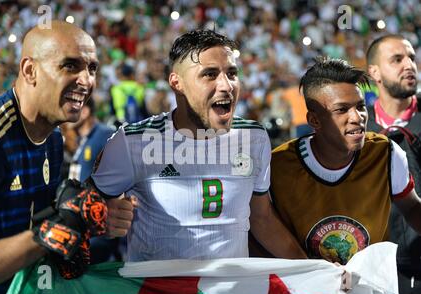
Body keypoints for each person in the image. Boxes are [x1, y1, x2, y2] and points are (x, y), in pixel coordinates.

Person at [90, 29, 307, 262]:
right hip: (158, 293)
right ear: (177, 83)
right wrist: (102, 216)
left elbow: (261, 217)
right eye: (210, 74)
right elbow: (81, 209)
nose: (226, 85)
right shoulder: (133, 142)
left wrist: (312, 269)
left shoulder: (253, 137)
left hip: (231, 293)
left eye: (232, 73)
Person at [0, 20, 133, 294]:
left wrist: (91, 219)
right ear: (30, 70)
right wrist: (53, 233)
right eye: (70, 65)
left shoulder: (53, 138)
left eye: (92, 68)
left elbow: (42, 224)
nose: (86, 81)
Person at [251, 57, 421, 270]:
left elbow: (412, 206)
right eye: (342, 109)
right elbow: (257, 233)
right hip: (305, 288)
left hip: (369, 287)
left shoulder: (386, 152)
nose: (357, 117)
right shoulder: (277, 166)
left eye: (360, 106)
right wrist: (308, 271)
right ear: (314, 120)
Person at [366, 35, 421, 294]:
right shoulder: (356, 127)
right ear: (374, 72)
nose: (409, 65)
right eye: (397, 59)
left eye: (411, 57)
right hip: (374, 268)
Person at [65, 97, 119, 264]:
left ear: (86, 111)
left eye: (72, 108)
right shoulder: (83, 140)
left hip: (99, 225)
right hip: (82, 223)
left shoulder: (105, 135)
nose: (66, 114)